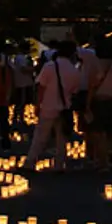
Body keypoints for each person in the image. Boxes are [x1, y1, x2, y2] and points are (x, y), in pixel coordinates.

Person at [25, 42, 81, 171]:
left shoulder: (50, 66)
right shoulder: (74, 70)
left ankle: (30, 162)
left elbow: (41, 87)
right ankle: (59, 165)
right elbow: (74, 91)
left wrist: (37, 104)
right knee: (61, 139)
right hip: (64, 108)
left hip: (48, 106)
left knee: (40, 136)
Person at [85, 41, 112, 172]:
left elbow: (92, 85)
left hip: (99, 101)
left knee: (98, 132)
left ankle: (102, 162)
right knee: (111, 132)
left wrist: (87, 104)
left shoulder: (96, 66)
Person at [9, 45, 36, 134]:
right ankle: (16, 119)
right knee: (21, 102)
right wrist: (34, 69)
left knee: (22, 102)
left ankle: (19, 119)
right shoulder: (20, 58)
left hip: (24, 83)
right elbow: (23, 69)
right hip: (22, 83)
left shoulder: (21, 58)